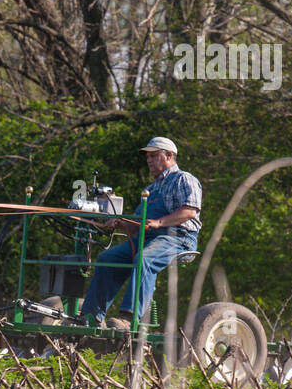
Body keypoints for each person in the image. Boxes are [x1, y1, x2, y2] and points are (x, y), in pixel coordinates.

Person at [75, 137, 201, 330]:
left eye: (153, 156)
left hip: (178, 237)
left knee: (145, 258)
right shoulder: (150, 189)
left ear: (169, 156)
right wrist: (119, 223)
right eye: (148, 157)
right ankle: (90, 316)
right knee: (107, 257)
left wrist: (159, 222)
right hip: (148, 237)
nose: (149, 160)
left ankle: (128, 318)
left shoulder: (184, 179)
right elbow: (137, 224)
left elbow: (189, 211)